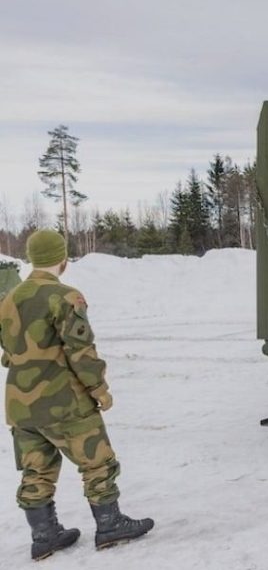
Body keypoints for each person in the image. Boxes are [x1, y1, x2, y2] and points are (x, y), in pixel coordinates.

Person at [0, 230, 153, 561]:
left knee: (35, 470)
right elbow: (80, 351)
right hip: (63, 400)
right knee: (97, 461)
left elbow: (8, 351)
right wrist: (99, 389)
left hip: (20, 404)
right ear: (62, 260)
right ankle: (110, 525)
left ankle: (44, 536)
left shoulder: (9, 298)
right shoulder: (65, 296)